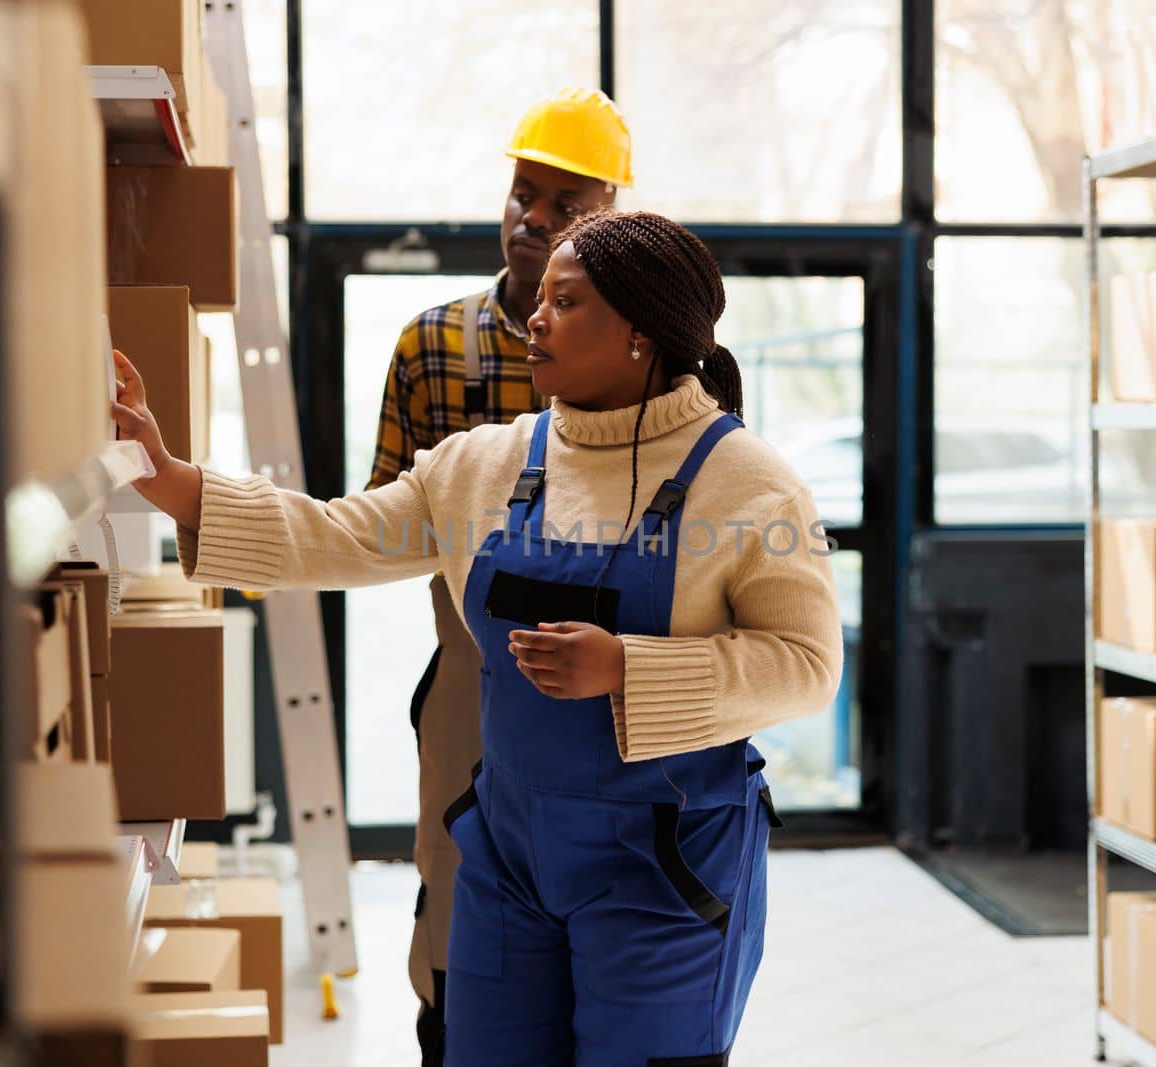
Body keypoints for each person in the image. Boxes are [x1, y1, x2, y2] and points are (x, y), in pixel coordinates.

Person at [111, 209, 843, 1065]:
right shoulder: (484, 464)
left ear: (640, 334)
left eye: (565, 303)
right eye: (540, 299)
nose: (533, 318)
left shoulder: (750, 484)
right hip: (512, 855)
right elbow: (335, 535)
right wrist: (172, 482)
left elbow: (808, 664)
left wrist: (627, 668)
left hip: (665, 868)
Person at [363, 87, 632, 1065]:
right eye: (526, 192)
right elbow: (381, 529)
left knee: (602, 929)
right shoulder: (431, 347)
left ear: (612, 214)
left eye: (567, 204)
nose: (536, 217)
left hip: (616, 686)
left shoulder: (662, 354)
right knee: (456, 911)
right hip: (470, 683)